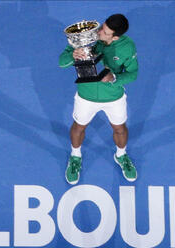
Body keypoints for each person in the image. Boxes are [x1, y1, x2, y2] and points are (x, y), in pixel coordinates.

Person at [58, 13, 138, 184]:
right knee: (79, 127)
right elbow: (61, 62)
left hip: (113, 97)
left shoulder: (127, 46)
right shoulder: (84, 37)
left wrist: (115, 78)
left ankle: (121, 155)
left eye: (105, 32)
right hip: (86, 96)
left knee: (120, 129)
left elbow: (133, 73)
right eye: (102, 26)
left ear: (115, 37)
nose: (99, 32)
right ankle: (75, 156)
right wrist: (73, 54)